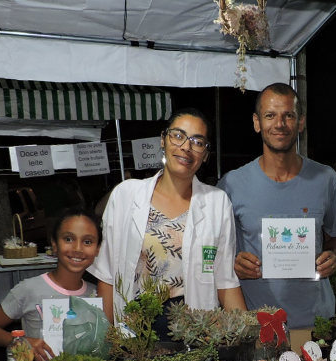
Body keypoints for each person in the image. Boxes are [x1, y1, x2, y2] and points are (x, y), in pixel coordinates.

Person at [90, 108, 246, 335]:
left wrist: (250, 338)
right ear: (163, 140)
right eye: (178, 135)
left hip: (193, 331)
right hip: (136, 330)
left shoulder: (216, 202)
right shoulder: (126, 195)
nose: (186, 147)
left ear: (205, 154)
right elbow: (107, 275)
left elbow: (225, 281)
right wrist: (106, 340)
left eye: (197, 141)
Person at [219, 83, 336, 341]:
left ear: (300, 123)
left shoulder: (325, 178)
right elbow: (216, 254)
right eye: (270, 115)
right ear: (256, 122)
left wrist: (334, 256)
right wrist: (233, 264)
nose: (280, 123)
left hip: (317, 325)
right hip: (257, 326)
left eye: (288, 115)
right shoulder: (232, 184)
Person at [0, 208, 102, 361]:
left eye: (87, 242)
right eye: (68, 239)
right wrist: (21, 341)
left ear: (98, 249)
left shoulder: (97, 294)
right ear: (54, 244)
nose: (77, 249)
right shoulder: (29, 289)